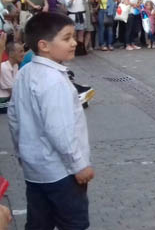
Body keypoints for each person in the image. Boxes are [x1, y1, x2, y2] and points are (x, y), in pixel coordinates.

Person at [8, 13, 94, 229]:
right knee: (73, 223)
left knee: (39, 223)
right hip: (62, 172)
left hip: (35, 170)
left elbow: (14, 119)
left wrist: (21, 154)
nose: (74, 42)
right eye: (66, 38)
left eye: (73, 37)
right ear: (44, 45)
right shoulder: (54, 80)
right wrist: (79, 165)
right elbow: (59, 129)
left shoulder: (25, 72)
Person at [0, 42, 24, 112]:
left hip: (9, 99)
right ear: (11, 54)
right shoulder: (4, 67)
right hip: (3, 101)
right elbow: (13, 91)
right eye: (20, 51)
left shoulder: (15, 66)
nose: (23, 54)